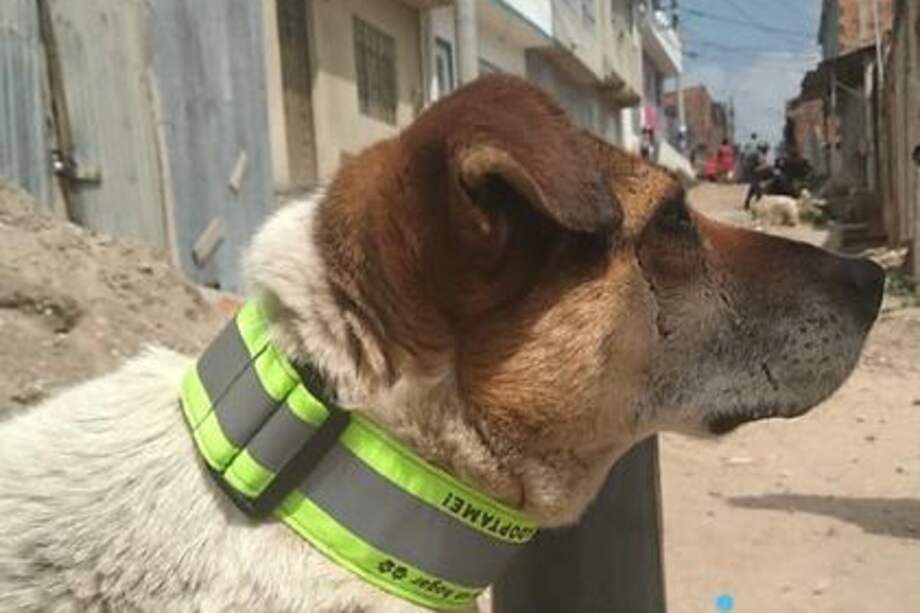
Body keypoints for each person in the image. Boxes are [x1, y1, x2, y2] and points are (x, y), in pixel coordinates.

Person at [744, 143, 773, 209]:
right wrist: (768, 167)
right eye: (766, 149)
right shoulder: (759, 155)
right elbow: (759, 165)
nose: (767, 151)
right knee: (759, 192)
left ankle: (747, 203)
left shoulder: (757, 154)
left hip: (754, 174)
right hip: (756, 174)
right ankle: (757, 206)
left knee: (753, 189)